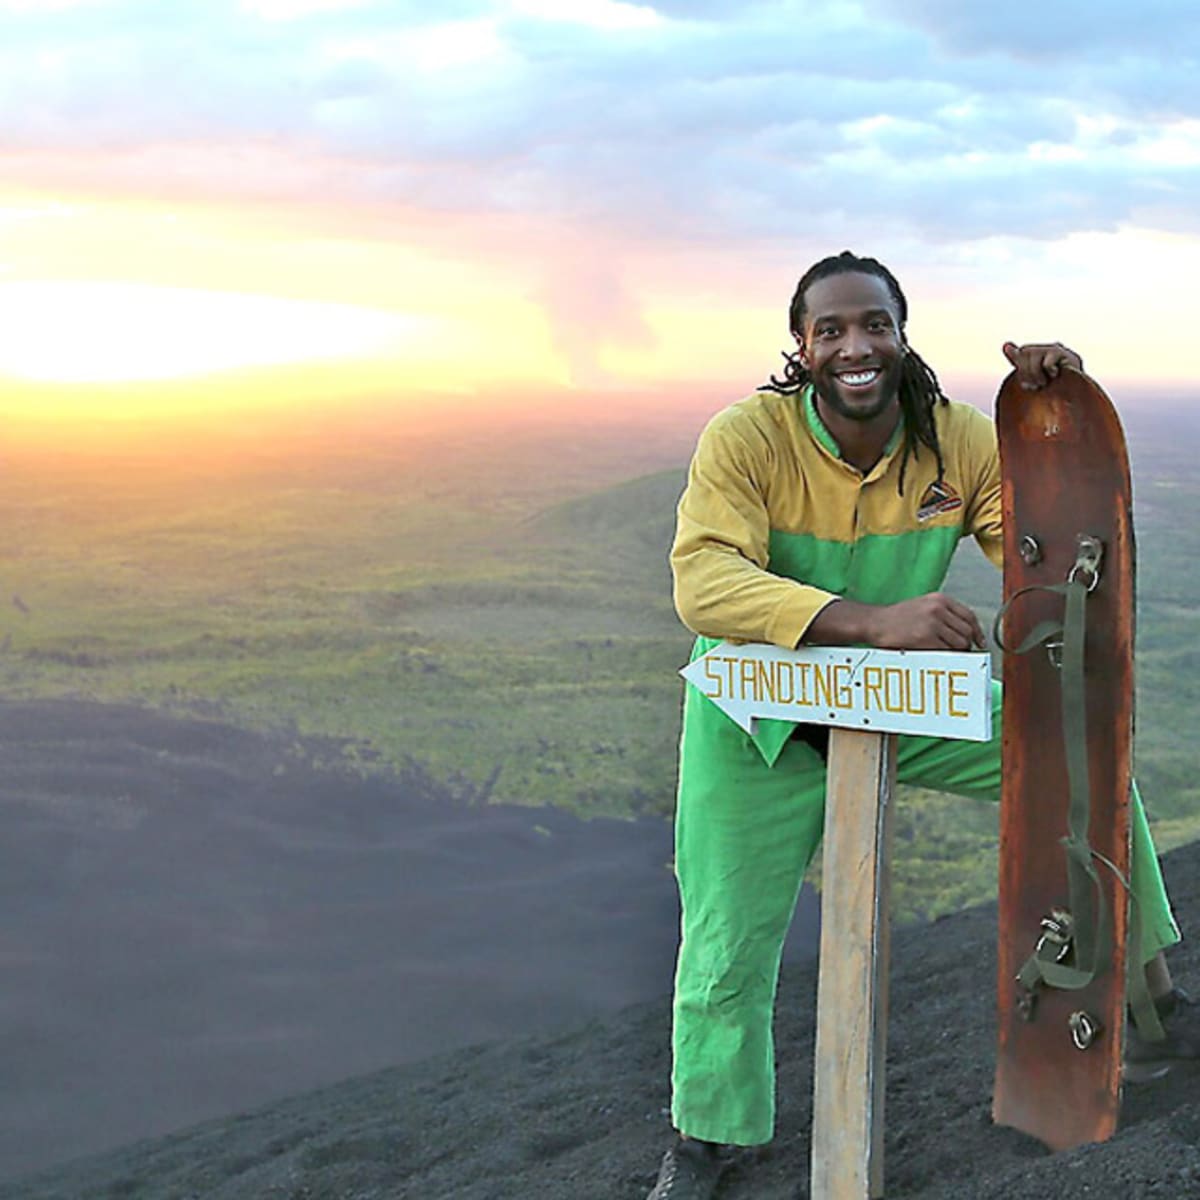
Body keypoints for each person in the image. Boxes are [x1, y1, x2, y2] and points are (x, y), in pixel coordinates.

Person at [647, 251, 1198, 1200]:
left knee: (1089, 773)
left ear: (902, 337)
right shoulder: (747, 439)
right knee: (727, 934)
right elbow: (703, 583)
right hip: (760, 720)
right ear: (802, 347)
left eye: (875, 325)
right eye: (832, 330)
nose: (855, 346)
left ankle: (1152, 1012)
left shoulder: (954, 440)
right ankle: (710, 1138)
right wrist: (875, 622)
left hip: (906, 703)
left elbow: (1041, 534)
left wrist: (1057, 415)